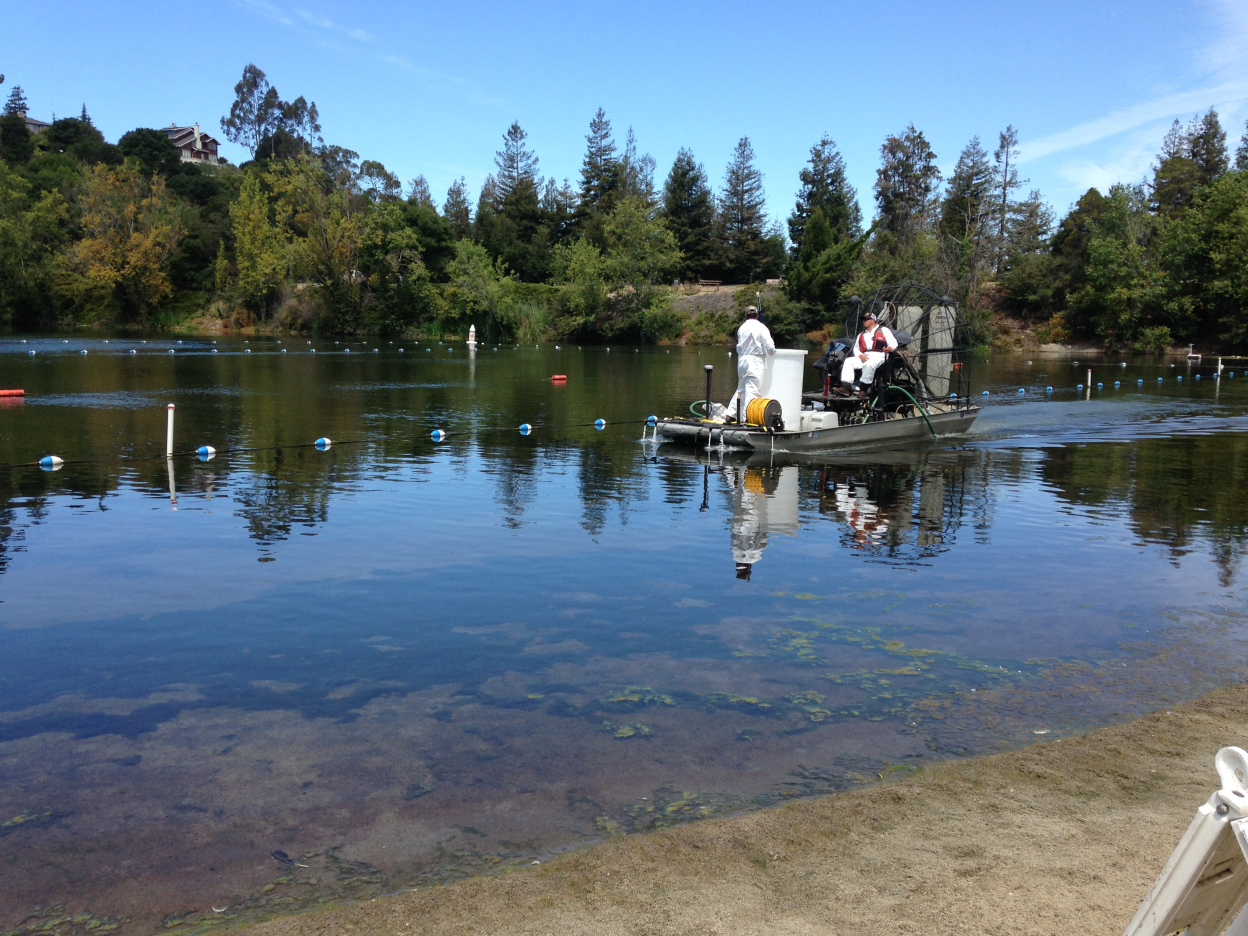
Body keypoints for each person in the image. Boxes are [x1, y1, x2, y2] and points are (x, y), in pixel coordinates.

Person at [726, 305, 775, 419]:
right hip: (755, 361)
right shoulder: (761, 327)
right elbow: (770, 348)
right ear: (757, 315)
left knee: (741, 389)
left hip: (742, 361)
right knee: (753, 391)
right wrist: (772, 352)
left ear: (745, 316)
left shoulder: (741, 328)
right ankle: (747, 418)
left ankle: (730, 414)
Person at [837, 308, 897, 396]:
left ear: (873, 320)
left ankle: (864, 389)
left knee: (870, 363)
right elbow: (856, 348)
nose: (864, 321)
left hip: (879, 355)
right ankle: (846, 387)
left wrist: (890, 348)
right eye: (863, 319)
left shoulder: (883, 330)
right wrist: (860, 355)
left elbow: (893, 342)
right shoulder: (861, 334)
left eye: (866, 319)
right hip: (865, 356)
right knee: (848, 361)